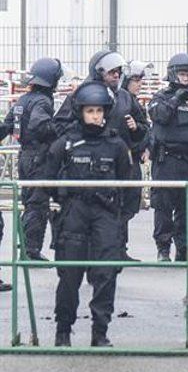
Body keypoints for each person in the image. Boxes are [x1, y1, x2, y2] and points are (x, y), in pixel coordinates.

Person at [44, 79, 138, 346]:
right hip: (74, 213)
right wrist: (65, 200)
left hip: (105, 214)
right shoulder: (65, 144)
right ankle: (63, 331)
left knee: (105, 275)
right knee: (69, 275)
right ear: (81, 112)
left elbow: (127, 181)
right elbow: (48, 179)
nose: (95, 116)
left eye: (99, 111)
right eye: (90, 111)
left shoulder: (116, 145)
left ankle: (100, 332)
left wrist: (119, 216)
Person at [147, 52, 188, 262]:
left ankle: (184, 250)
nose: (186, 77)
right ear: (173, 74)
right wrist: (175, 100)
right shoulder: (161, 97)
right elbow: (159, 116)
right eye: (182, 74)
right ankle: (163, 249)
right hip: (166, 160)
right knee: (163, 207)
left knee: (186, 209)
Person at [7, 57, 62, 262]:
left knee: (30, 202)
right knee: (37, 205)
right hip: (39, 157)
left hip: (25, 156)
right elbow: (40, 125)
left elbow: (8, 125)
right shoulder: (43, 101)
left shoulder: (23, 100)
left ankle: (25, 246)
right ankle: (30, 250)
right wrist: (60, 130)